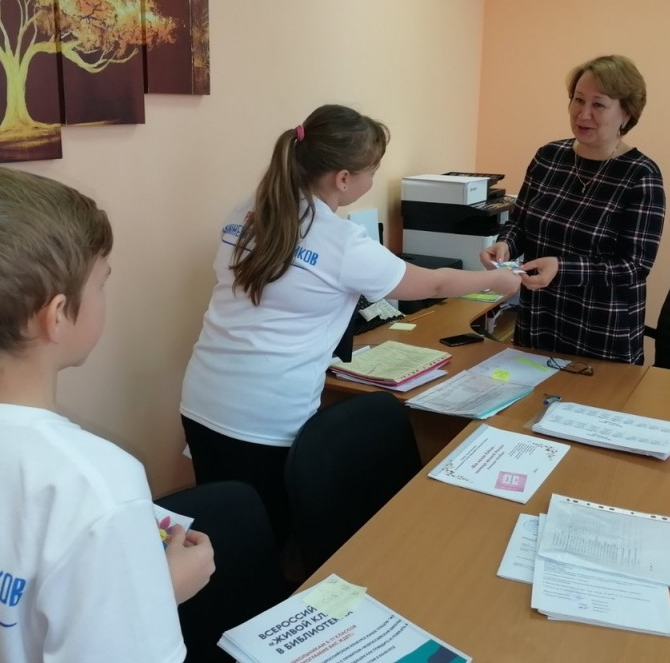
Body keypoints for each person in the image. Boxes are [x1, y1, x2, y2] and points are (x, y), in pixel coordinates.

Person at [0, 167, 215, 662]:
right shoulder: (95, 484)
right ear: (56, 315)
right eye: (101, 283)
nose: (104, 297)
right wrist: (156, 591)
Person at [180, 104, 522, 542]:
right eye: (372, 171)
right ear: (344, 179)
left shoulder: (247, 210)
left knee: (223, 531)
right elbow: (433, 282)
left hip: (203, 397)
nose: (372, 180)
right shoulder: (341, 243)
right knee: (263, 537)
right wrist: (497, 281)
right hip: (264, 417)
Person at [480, 54, 665, 364]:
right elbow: (520, 222)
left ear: (626, 113)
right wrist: (505, 245)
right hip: (539, 321)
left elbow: (634, 265)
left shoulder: (640, 175)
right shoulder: (549, 157)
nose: (583, 113)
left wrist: (562, 268)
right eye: (578, 100)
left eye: (598, 104)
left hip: (600, 332)